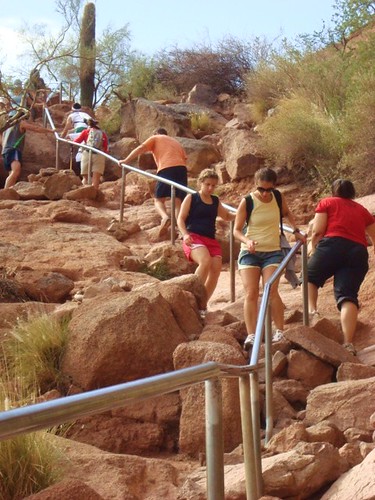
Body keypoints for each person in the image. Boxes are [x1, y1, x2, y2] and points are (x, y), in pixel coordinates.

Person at [233, 167, 305, 350]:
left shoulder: (278, 197)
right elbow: (236, 229)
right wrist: (247, 240)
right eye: (261, 189)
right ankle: (252, 335)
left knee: (271, 290)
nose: (265, 194)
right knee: (251, 292)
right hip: (250, 252)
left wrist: (295, 230)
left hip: (272, 251)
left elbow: (287, 213)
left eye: (269, 190)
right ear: (255, 186)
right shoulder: (247, 201)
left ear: (274, 187)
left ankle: (279, 331)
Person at [307, 179, 375, 354]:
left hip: (332, 245)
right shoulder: (362, 210)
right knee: (348, 296)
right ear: (352, 193)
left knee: (310, 277)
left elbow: (318, 230)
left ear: (333, 191)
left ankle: (313, 312)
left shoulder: (327, 202)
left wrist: (313, 247)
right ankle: (348, 343)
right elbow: (374, 236)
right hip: (357, 252)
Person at [177, 168, 235, 316]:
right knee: (205, 261)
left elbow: (227, 216)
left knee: (216, 270)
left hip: (210, 239)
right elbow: (181, 218)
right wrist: (184, 235)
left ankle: (202, 305)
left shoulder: (215, 200)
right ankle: (191, 295)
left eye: (213, 185)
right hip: (193, 236)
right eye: (207, 184)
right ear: (200, 183)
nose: (210, 188)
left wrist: (242, 212)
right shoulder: (191, 198)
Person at [119, 128, 188, 236]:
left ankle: (165, 217)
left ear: (156, 133)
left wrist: (126, 160)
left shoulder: (155, 138)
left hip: (166, 168)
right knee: (178, 201)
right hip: (182, 169)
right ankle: (182, 231)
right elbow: (184, 158)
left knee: (158, 199)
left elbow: (141, 148)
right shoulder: (176, 142)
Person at [1, 101, 56, 188]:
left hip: (6, 151)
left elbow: (2, 139)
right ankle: (5, 192)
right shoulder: (20, 122)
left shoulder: (8, 125)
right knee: (16, 171)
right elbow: (36, 128)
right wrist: (50, 131)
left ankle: (9, 193)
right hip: (14, 149)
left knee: (12, 173)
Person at [73, 117, 109, 189]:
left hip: (87, 153)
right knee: (96, 178)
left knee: (85, 178)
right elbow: (105, 147)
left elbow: (76, 141)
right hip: (99, 154)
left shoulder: (86, 132)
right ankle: (93, 195)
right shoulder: (102, 134)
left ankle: (84, 194)